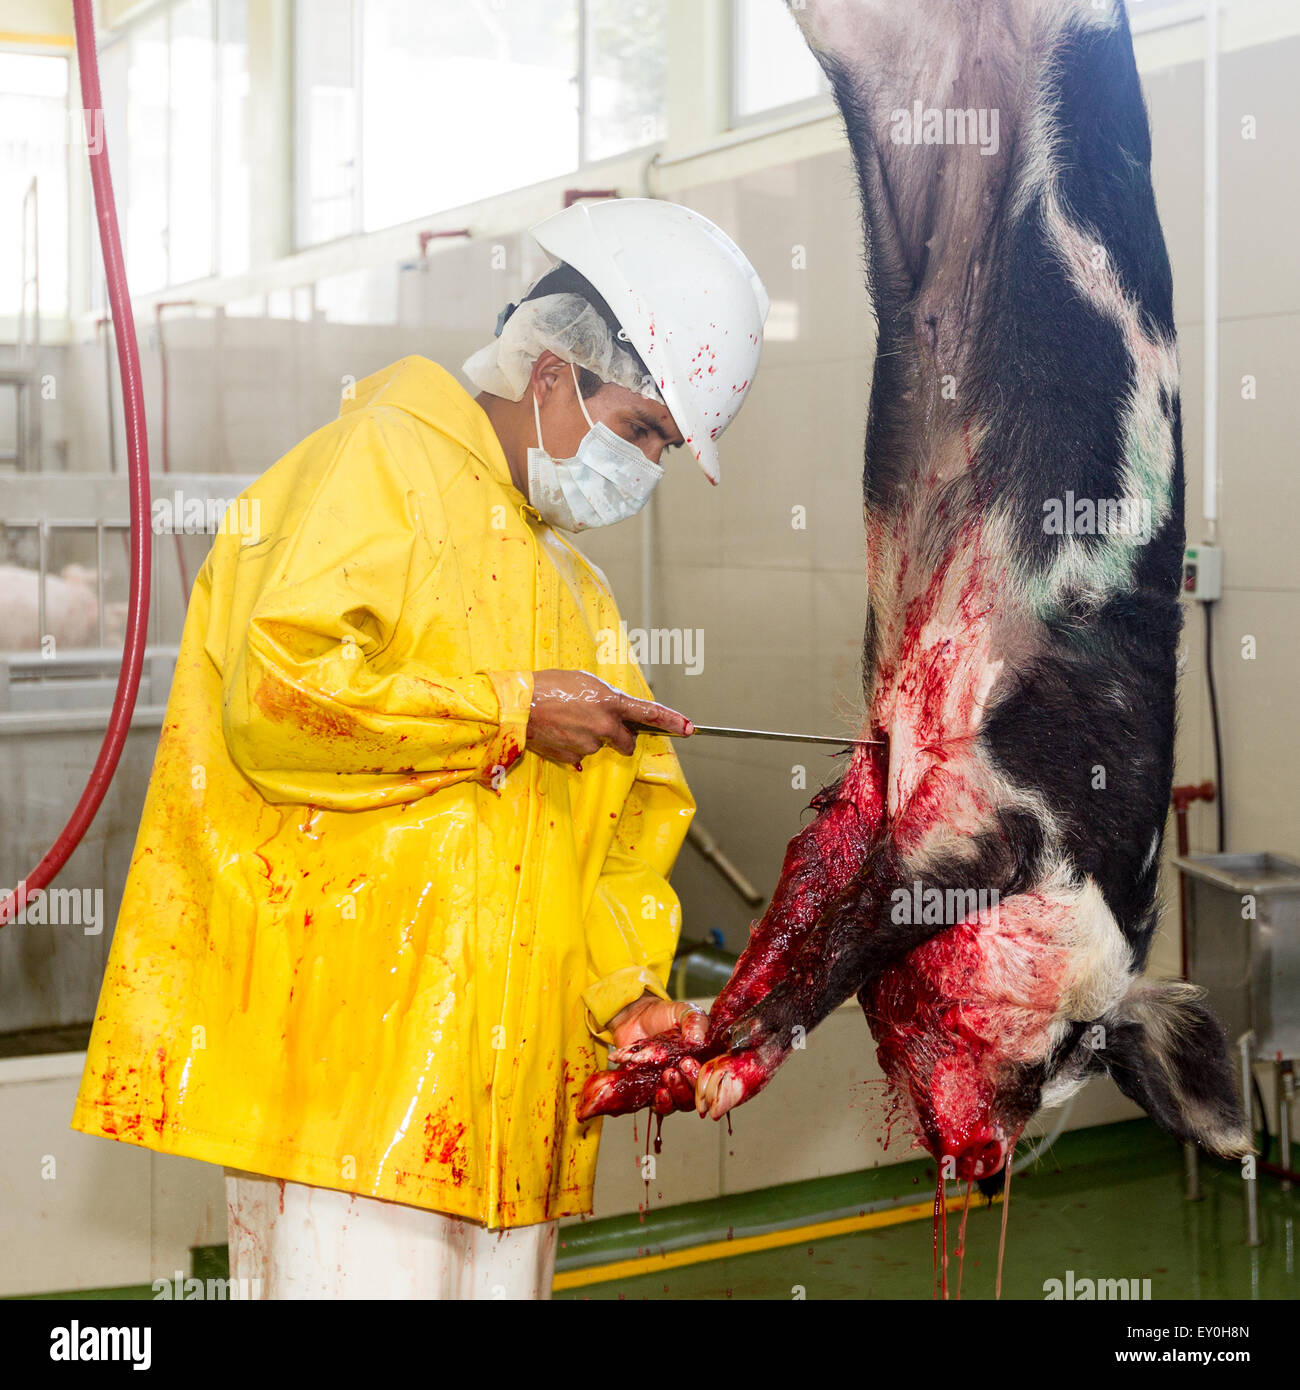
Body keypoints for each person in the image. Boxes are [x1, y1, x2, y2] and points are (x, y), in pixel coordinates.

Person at [71, 197, 769, 1299]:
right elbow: (276, 696)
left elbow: (618, 837)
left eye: (663, 449)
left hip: (506, 1102)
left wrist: (625, 993)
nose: (644, 468)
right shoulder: (374, 465)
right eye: (641, 430)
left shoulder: (573, 591)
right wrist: (504, 711)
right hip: (348, 1090)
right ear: (553, 375)